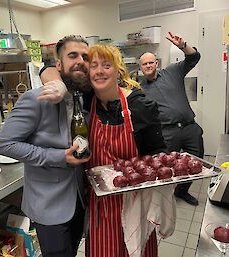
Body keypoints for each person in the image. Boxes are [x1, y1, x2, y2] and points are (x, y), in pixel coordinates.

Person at [40, 44, 176, 257]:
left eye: (106, 65)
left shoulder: (140, 105)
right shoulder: (87, 100)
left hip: (135, 204)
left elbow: (157, 154)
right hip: (100, 206)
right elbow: (49, 68)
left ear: (118, 70)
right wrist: (56, 82)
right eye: (93, 66)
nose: (99, 71)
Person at [0, 35, 91, 257]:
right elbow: (5, 144)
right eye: (72, 55)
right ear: (59, 65)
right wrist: (59, 157)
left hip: (78, 200)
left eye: (85, 57)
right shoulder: (35, 99)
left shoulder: (82, 96)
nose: (80, 60)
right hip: (48, 205)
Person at [139, 32, 204, 206]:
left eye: (151, 62)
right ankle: (166, 196)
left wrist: (182, 46)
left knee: (195, 163)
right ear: (140, 67)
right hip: (167, 132)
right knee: (166, 166)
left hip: (190, 127)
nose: (148, 66)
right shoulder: (139, 88)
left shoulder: (172, 72)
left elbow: (194, 58)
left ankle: (182, 191)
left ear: (157, 63)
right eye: (144, 64)